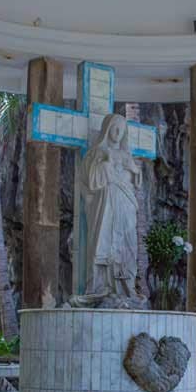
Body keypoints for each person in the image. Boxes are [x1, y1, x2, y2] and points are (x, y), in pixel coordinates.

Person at [81, 114, 142, 299]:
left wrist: (134, 169)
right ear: (107, 129)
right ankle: (101, 287)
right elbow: (91, 181)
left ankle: (126, 287)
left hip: (126, 206)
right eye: (115, 127)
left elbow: (136, 181)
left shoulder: (127, 155)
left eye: (121, 129)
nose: (118, 132)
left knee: (128, 246)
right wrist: (106, 164)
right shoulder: (97, 152)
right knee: (103, 243)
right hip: (105, 205)